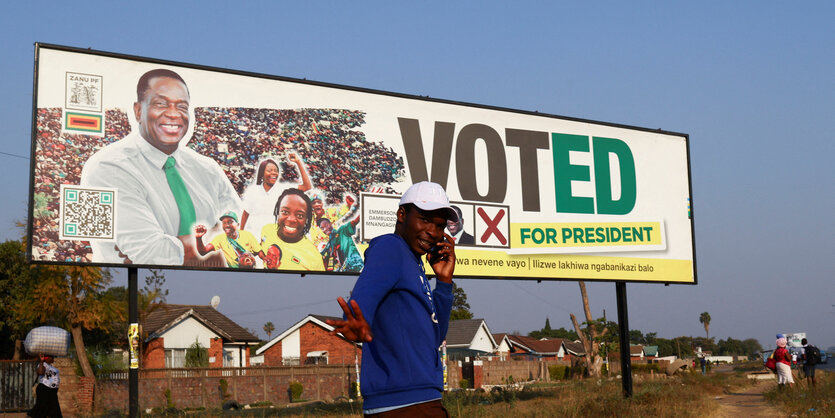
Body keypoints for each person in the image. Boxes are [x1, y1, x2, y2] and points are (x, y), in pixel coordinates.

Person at [81, 68, 241, 266]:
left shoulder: (207, 168)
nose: (174, 114)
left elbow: (239, 227)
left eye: (182, 107)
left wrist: (188, 249)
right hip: (124, 287)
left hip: (210, 287)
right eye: (160, 104)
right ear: (138, 110)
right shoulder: (105, 167)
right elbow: (150, 253)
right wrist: (213, 245)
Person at [327, 181, 458, 417]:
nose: (433, 231)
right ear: (402, 214)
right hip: (405, 405)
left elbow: (435, 338)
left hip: (419, 400)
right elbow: (362, 300)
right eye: (425, 219)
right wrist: (357, 320)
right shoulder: (390, 247)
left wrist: (444, 283)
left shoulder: (413, 263)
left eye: (440, 226)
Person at [239, 155, 312, 235]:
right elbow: (246, 213)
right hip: (254, 236)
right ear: (262, 173)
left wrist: (298, 162)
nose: (273, 173)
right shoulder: (253, 191)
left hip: (274, 237)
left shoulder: (284, 189)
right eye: (269, 170)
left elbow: (307, 186)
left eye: (276, 170)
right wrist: (241, 232)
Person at [258, 188, 324, 271]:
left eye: (300, 215)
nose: (291, 219)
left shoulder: (314, 258)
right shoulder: (267, 230)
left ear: (306, 219)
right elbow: (262, 246)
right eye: (285, 212)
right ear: (278, 211)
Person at [195, 211, 260, 268]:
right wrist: (198, 238)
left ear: (237, 224)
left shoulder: (246, 235)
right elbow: (203, 252)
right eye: (224, 223)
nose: (227, 225)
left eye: (230, 222)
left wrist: (250, 256)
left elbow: (259, 251)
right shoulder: (220, 239)